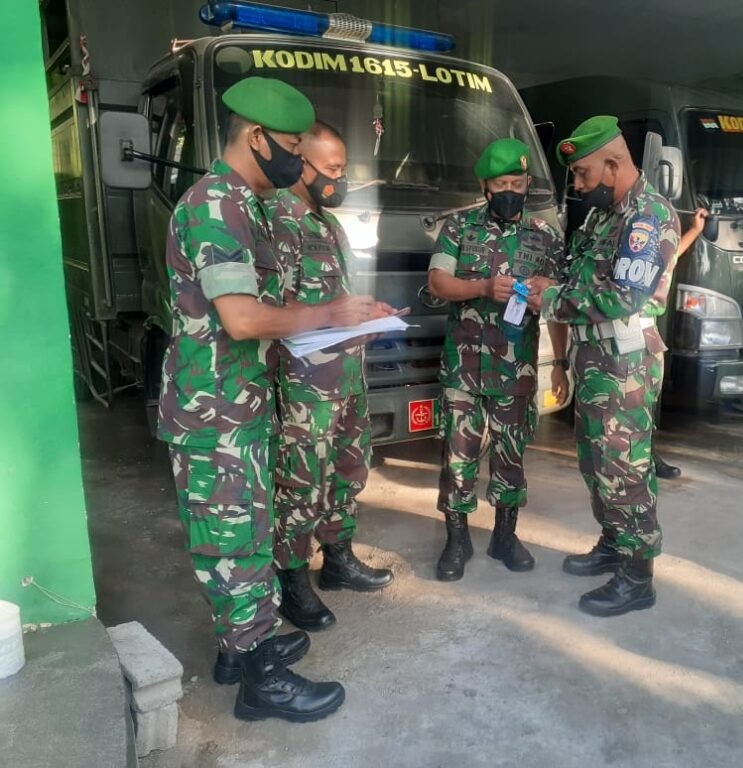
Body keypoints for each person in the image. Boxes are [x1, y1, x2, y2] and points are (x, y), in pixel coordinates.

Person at [158, 76, 373, 722]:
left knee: (249, 536)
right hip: (214, 411)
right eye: (291, 145)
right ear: (256, 137)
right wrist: (329, 314)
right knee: (232, 543)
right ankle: (261, 684)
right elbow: (243, 318)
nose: (296, 160)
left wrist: (337, 323)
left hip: (241, 402)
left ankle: (240, 652)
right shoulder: (215, 204)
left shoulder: (246, 205)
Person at [529, 115, 704, 617]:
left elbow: (624, 296)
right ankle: (613, 541)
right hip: (592, 358)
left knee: (625, 467)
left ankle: (637, 574)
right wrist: (554, 293)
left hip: (626, 361)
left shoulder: (649, 216)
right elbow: (577, 277)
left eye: (583, 173)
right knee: (595, 462)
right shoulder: (602, 218)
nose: (579, 185)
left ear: (613, 164)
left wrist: (552, 298)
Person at [266, 120, 395, 633]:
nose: (340, 180)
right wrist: (336, 315)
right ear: (302, 164)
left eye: (344, 170)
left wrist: (367, 314)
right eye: (333, 169)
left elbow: (338, 300)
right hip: (304, 385)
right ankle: (292, 581)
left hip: (346, 376)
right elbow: (271, 306)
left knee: (347, 470)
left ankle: (338, 560)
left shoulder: (329, 225)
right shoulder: (279, 220)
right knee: (301, 483)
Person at [427, 138, 563, 582]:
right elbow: (438, 282)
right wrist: (483, 288)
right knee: (457, 456)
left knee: (511, 453)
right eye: (500, 185)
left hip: (516, 368)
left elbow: (561, 303)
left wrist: (560, 361)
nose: (510, 192)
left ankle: (505, 535)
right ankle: (457, 537)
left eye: (517, 184)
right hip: (463, 368)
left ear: (527, 183)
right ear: (485, 188)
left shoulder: (545, 237)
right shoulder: (459, 228)